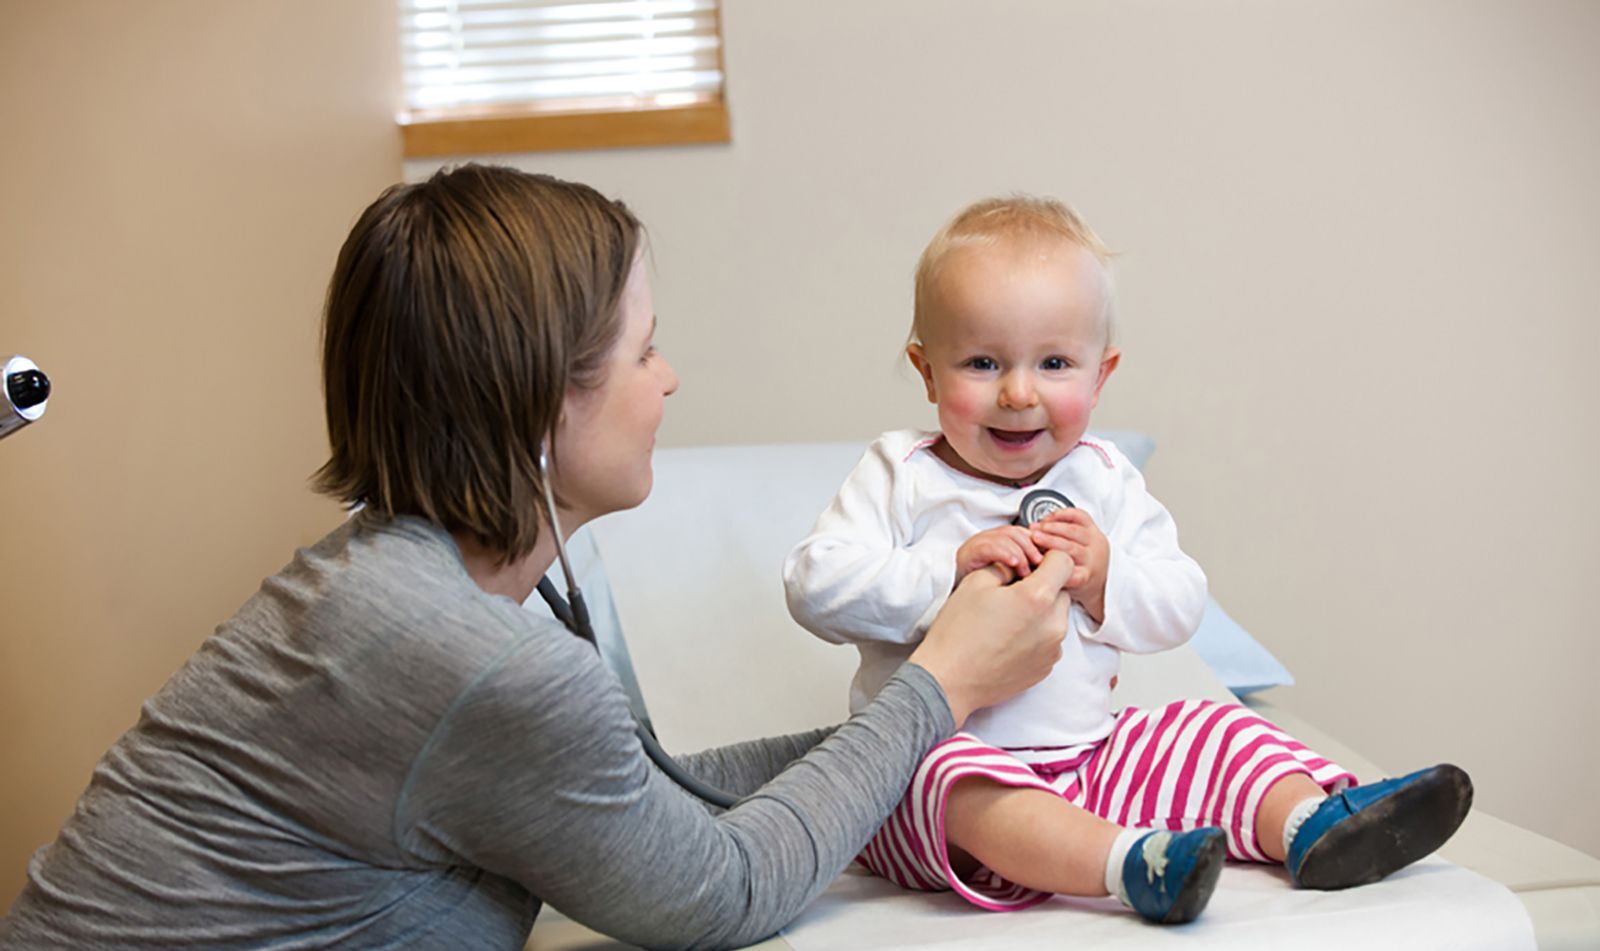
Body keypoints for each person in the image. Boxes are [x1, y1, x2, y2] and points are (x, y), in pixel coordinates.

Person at [0, 167, 1078, 950]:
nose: (669, 380)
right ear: (537, 399)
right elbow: (722, 894)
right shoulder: (473, 658)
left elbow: (658, 799)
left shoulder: (403, 582)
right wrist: (941, 684)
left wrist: (924, 729)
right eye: (642, 349)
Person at [783, 195, 1473, 922]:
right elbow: (815, 583)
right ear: (927, 373)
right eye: (982, 362)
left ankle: (1313, 824)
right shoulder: (903, 472)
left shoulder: (1103, 479)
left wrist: (1107, 577)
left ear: (1099, 375)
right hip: (935, 776)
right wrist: (945, 570)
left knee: (1209, 724)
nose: (1019, 392)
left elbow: (1180, 600)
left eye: (1054, 362)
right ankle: (1130, 863)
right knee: (946, 775)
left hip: (1089, 758)